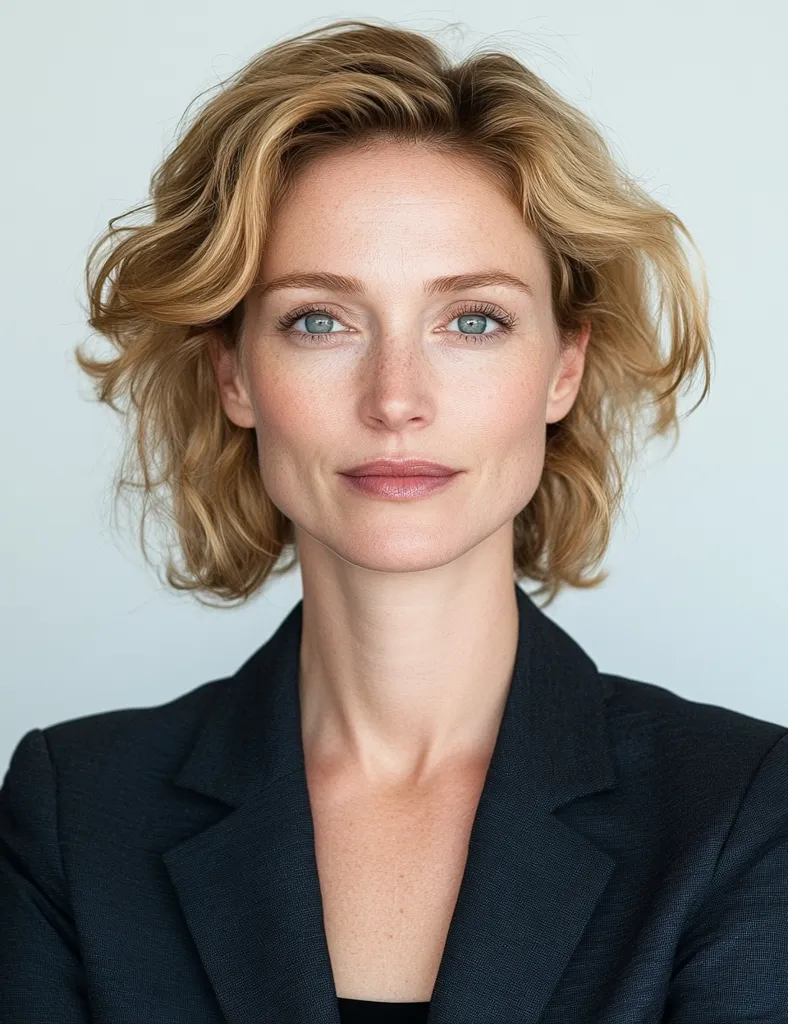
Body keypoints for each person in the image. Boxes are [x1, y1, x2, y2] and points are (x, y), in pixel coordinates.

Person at [1, 16, 786, 1023]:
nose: (394, 397)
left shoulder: (742, 810)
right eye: (318, 320)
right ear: (233, 370)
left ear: (563, 366)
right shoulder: (75, 809)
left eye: (472, 319)